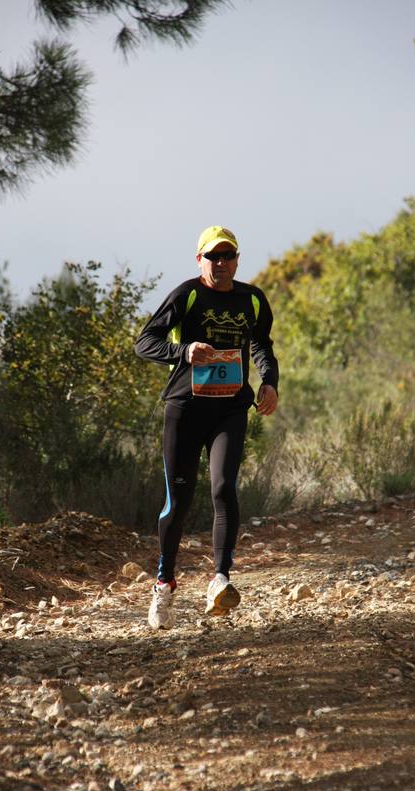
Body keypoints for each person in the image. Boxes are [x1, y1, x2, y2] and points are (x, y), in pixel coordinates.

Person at [135, 225, 279, 629]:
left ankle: (220, 580)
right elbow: (145, 341)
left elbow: (262, 344)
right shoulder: (187, 295)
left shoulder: (251, 299)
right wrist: (184, 351)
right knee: (177, 503)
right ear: (200, 260)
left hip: (230, 409)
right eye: (212, 257)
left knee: (223, 488)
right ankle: (164, 584)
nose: (220, 263)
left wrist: (269, 382)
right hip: (185, 409)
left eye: (227, 255)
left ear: (237, 259)